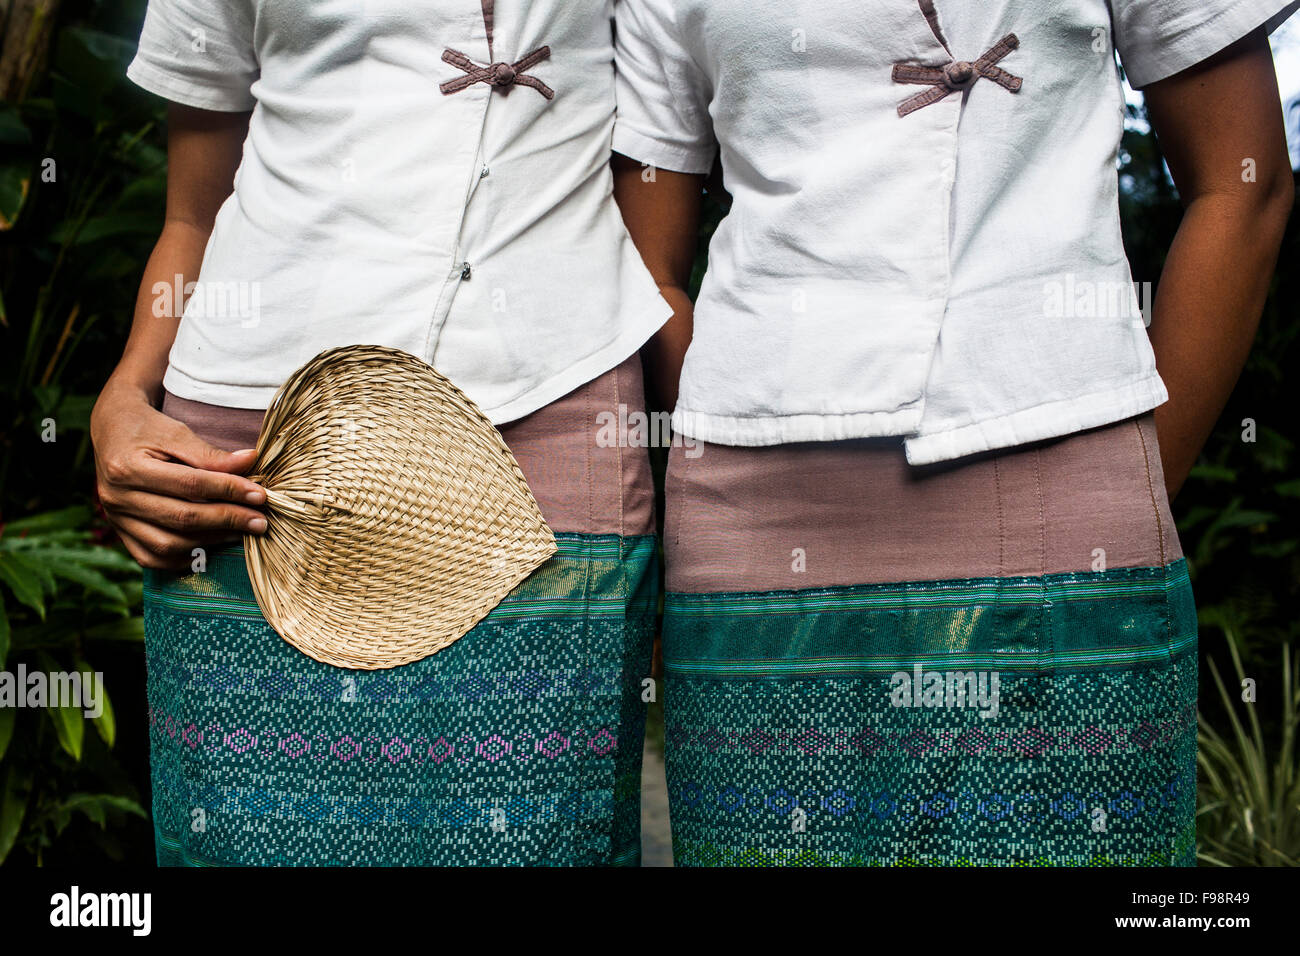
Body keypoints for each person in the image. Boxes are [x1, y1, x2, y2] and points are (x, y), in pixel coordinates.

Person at [612, 0, 1295, 865]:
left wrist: (1127, 481)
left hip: (1065, 484)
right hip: (756, 528)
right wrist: (702, 491)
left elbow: (1244, 184)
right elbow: (650, 262)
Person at [91, 0, 670, 866]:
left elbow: (671, 165)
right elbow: (192, 216)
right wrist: (124, 397)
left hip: (546, 419)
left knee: (543, 838)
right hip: (250, 456)